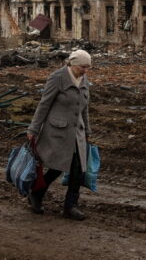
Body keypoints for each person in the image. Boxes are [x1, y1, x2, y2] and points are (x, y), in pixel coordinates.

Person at [26, 49, 93, 220]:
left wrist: (87, 130)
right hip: (57, 131)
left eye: (88, 67)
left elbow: (84, 108)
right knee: (57, 167)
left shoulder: (83, 79)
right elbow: (44, 104)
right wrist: (33, 129)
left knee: (78, 170)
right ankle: (36, 194)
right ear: (73, 64)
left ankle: (71, 206)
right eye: (82, 67)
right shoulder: (58, 78)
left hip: (77, 133)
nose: (85, 71)